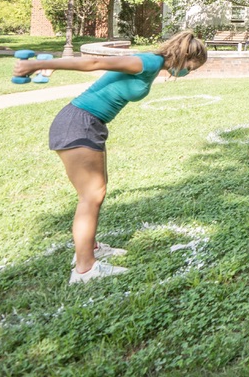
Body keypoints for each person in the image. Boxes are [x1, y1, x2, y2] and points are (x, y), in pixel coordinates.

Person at [13, 30, 208, 284]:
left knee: (96, 192)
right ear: (183, 57)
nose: (187, 73)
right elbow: (93, 63)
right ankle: (85, 270)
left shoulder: (152, 66)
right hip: (79, 123)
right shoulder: (146, 62)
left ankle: (90, 248)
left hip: (89, 124)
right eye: (190, 68)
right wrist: (39, 63)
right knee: (91, 195)